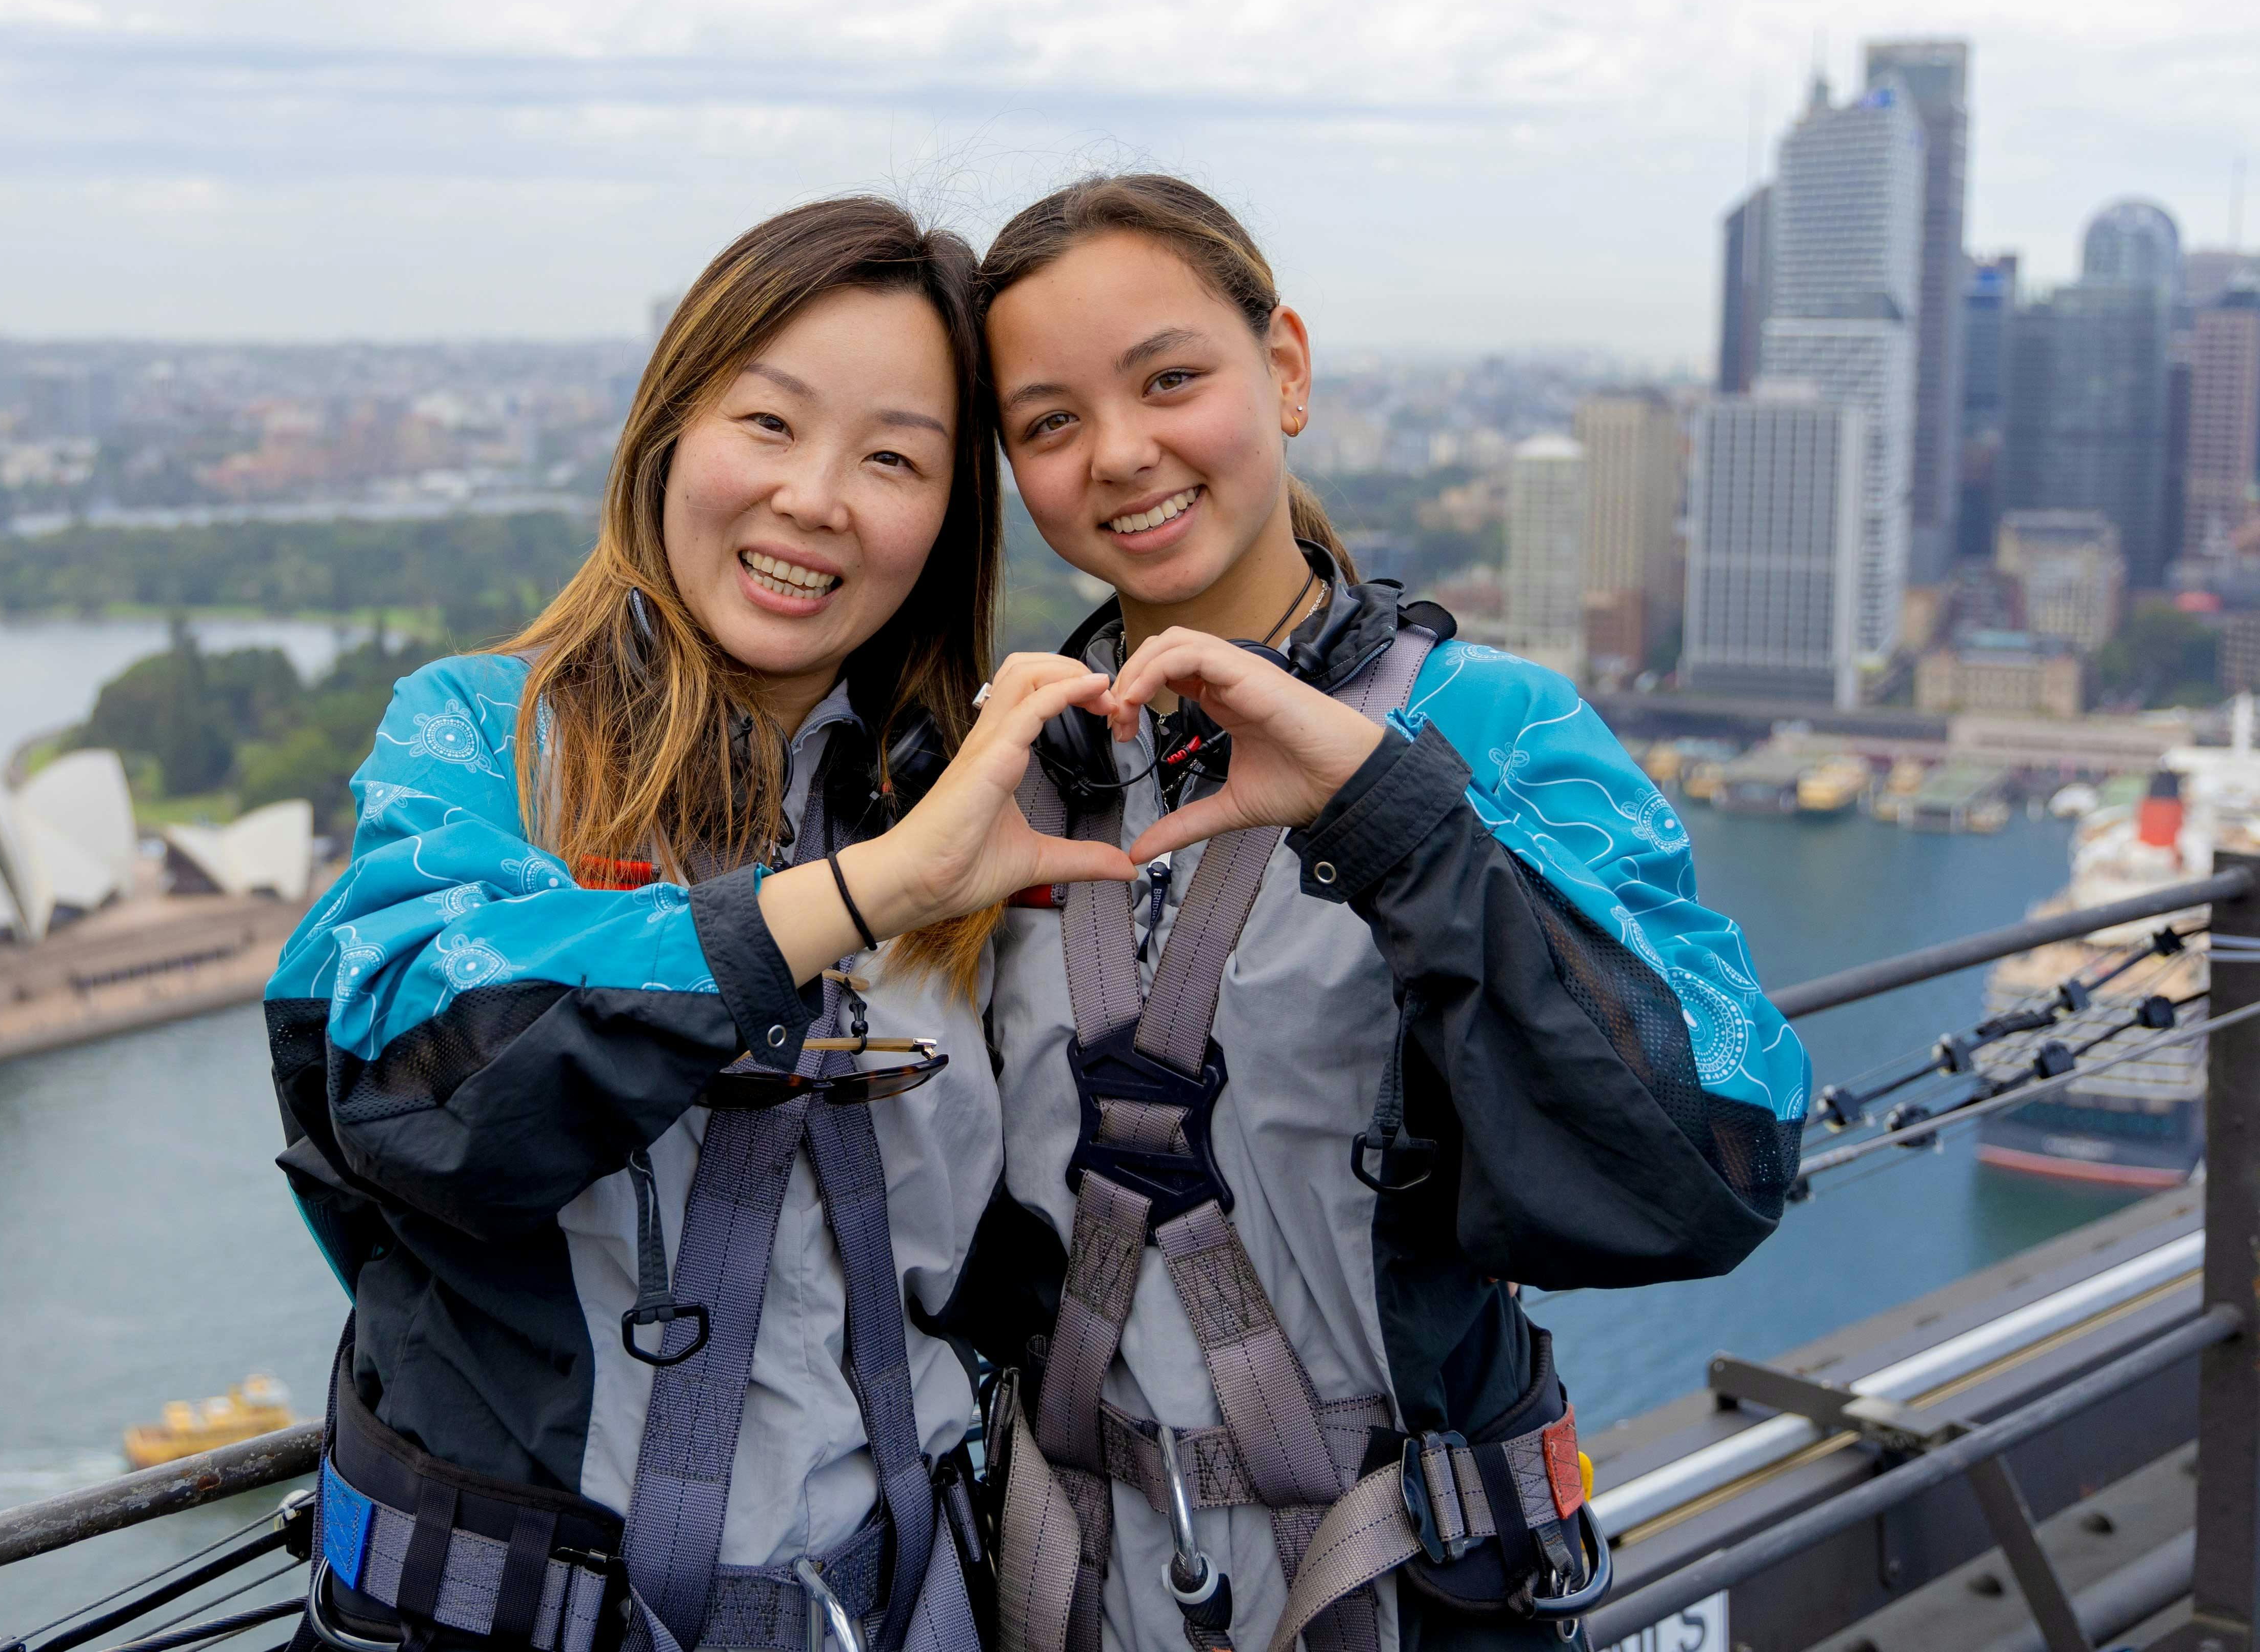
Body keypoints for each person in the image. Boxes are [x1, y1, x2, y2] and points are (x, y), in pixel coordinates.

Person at [266, 195, 1142, 1652]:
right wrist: (854, 901)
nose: (816, 499)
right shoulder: (487, 741)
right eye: (769, 424)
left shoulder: (976, 798)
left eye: (893, 459)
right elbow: (418, 1090)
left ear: (947, 517)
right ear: (669, 431)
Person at [954, 176, 1808, 1652]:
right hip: (1066, 1583)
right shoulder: (1012, 769)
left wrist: (1389, 815)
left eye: (1171, 380)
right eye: (1050, 423)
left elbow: (1709, 1167)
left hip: (1405, 1588)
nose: (1124, 454)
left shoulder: (1491, 728)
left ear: (1282, 369)